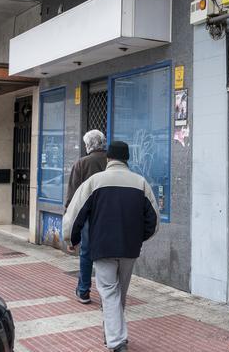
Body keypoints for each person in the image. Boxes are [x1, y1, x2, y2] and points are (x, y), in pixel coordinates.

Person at [62, 142, 158, 352]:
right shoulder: (140, 183)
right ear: (127, 159)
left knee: (109, 292)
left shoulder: (94, 182)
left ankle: (116, 342)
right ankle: (113, 334)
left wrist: (71, 239)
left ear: (108, 158)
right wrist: (138, 238)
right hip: (129, 249)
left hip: (102, 247)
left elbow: (74, 214)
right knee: (119, 293)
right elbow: (154, 220)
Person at [65, 129, 108, 304]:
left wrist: (69, 229)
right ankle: (109, 292)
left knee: (86, 253)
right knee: (109, 254)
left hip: (90, 216)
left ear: (88, 145)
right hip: (110, 215)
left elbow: (73, 197)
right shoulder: (112, 162)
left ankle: (83, 291)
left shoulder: (81, 164)